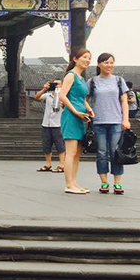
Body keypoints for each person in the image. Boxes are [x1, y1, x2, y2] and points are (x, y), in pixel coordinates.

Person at [88, 53, 131, 195]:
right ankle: (104, 182)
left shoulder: (119, 81)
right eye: (106, 62)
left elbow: (124, 101)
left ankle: (117, 183)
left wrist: (126, 119)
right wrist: (88, 111)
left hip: (116, 122)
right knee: (101, 152)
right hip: (99, 122)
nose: (109, 65)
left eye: (112, 62)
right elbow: (84, 99)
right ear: (99, 64)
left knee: (115, 152)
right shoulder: (92, 81)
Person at [58, 49, 94, 195]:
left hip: (81, 116)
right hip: (72, 116)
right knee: (71, 152)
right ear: (75, 59)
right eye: (84, 57)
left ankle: (74, 182)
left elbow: (82, 99)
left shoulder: (81, 78)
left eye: (89, 58)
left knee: (78, 152)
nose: (87, 60)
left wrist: (89, 109)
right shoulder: (71, 76)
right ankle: (68, 184)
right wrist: (75, 111)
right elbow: (62, 96)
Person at [34, 80, 65, 173]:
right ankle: (48, 164)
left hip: (58, 124)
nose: (56, 86)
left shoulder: (64, 96)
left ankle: (62, 164)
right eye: (54, 84)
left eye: (58, 84)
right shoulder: (48, 95)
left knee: (60, 145)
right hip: (46, 123)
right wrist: (44, 89)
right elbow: (37, 97)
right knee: (46, 145)